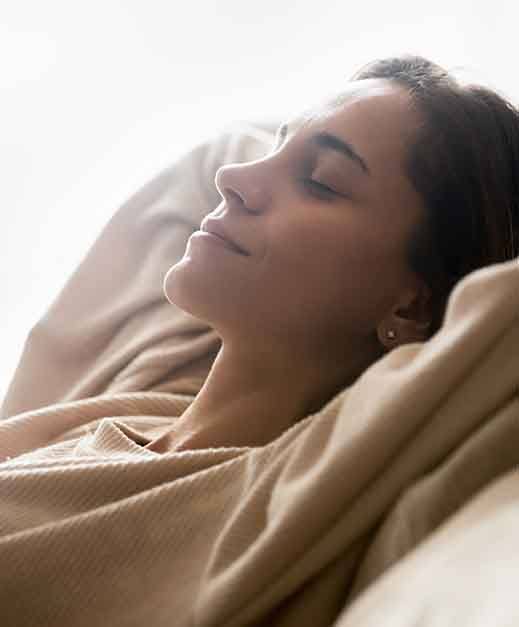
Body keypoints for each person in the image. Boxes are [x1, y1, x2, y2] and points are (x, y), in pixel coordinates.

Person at [144, 54, 519, 454]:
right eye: (277, 146)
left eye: (321, 180)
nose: (232, 177)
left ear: (413, 308)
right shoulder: (136, 396)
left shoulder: (295, 494)